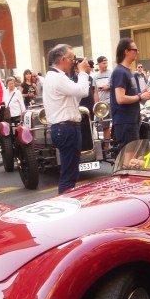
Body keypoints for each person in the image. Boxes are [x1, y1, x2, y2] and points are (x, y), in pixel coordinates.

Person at [42, 44, 90, 194]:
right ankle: (65, 205)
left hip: (64, 128)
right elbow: (83, 91)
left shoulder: (54, 77)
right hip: (66, 129)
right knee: (69, 175)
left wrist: (80, 74)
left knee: (70, 173)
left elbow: (76, 97)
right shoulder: (57, 78)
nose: (73, 62)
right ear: (63, 59)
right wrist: (83, 73)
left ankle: (67, 203)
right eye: (72, 59)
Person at [110, 38, 150, 150]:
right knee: (129, 157)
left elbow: (129, 94)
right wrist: (140, 96)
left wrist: (141, 95)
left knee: (133, 156)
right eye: (135, 49)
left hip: (132, 120)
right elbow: (120, 98)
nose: (137, 52)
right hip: (125, 121)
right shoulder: (120, 72)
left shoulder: (128, 71)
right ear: (126, 51)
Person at [92, 56, 112, 142]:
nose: (105, 65)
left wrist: (108, 87)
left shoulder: (111, 73)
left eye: (106, 63)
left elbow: (116, 85)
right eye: (103, 63)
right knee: (105, 126)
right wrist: (96, 105)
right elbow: (96, 92)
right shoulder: (95, 76)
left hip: (111, 102)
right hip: (102, 105)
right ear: (99, 64)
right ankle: (107, 146)